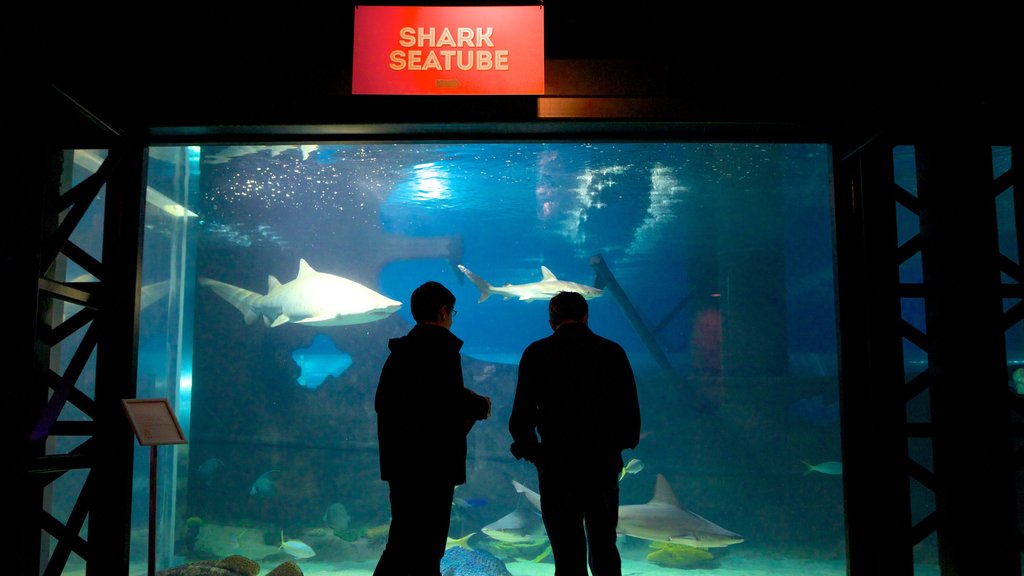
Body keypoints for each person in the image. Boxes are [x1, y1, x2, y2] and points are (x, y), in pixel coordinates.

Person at [509, 291, 641, 576]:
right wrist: (615, 446)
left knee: (566, 552)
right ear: (586, 316)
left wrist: (535, 453)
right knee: (604, 545)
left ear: (551, 322)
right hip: (602, 465)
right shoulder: (612, 352)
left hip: (556, 467)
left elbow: (521, 418)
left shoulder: (536, 353)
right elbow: (630, 415)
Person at [374, 281, 492, 576]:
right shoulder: (443, 349)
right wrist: (475, 408)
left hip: (400, 464)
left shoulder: (399, 352)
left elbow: (386, 403)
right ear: (443, 312)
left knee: (400, 541)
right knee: (429, 546)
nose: (452, 318)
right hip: (433, 467)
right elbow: (444, 409)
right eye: (452, 312)